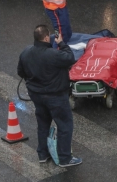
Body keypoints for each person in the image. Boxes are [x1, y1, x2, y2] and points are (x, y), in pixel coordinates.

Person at [17, 25, 81, 167]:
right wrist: (61, 43)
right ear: (46, 37)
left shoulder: (26, 52)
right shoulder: (53, 54)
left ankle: (43, 154)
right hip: (56, 96)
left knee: (43, 124)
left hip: (37, 96)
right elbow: (70, 57)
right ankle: (64, 158)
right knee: (65, 125)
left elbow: (20, 72)